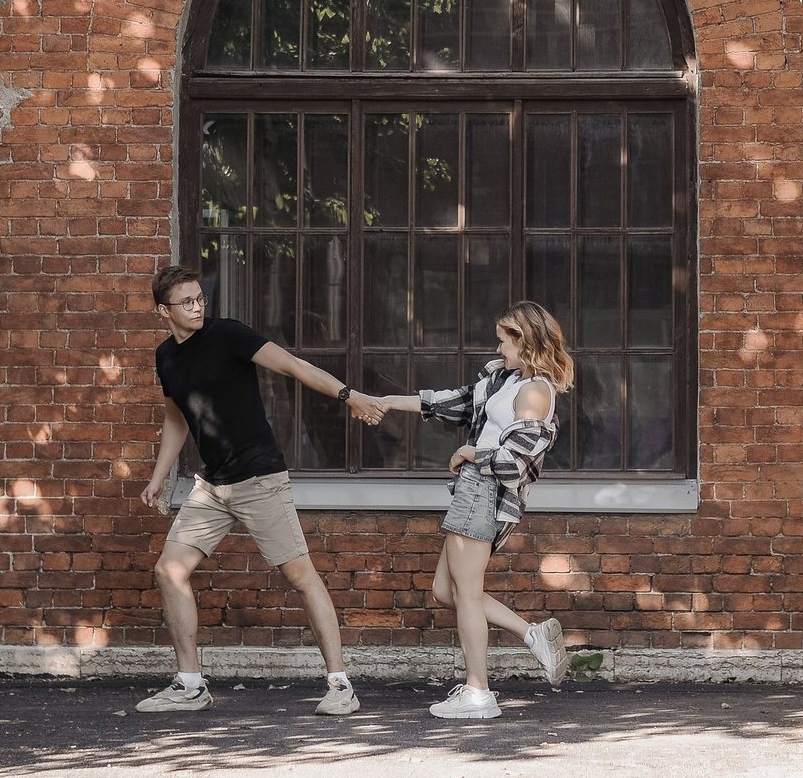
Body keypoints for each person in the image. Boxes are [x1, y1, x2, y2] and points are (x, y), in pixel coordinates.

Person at [136, 261, 386, 716]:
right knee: (168, 570)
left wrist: (351, 396)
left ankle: (340, 685)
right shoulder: (166, 356)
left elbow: (292, 365)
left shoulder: (227, 334)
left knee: (300, 576)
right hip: (211, 486)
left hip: (258, 478)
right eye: (186, 302)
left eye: (199, 298)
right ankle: (190, 685)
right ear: (162, 311)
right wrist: (158, 477)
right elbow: (177, 416)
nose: (196, 307)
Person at [354, 301, 573, 720]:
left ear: (525, 342)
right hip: (472, 489)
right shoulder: (504, 379)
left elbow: (516, 464)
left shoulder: (534, 392)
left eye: (504, 339)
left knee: (467, 595)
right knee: (445, 590)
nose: (498, 346)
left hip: (486, 491)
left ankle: (479, 693)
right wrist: (383, 401)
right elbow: (449, 403)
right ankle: (532, 634)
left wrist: (472, 452)